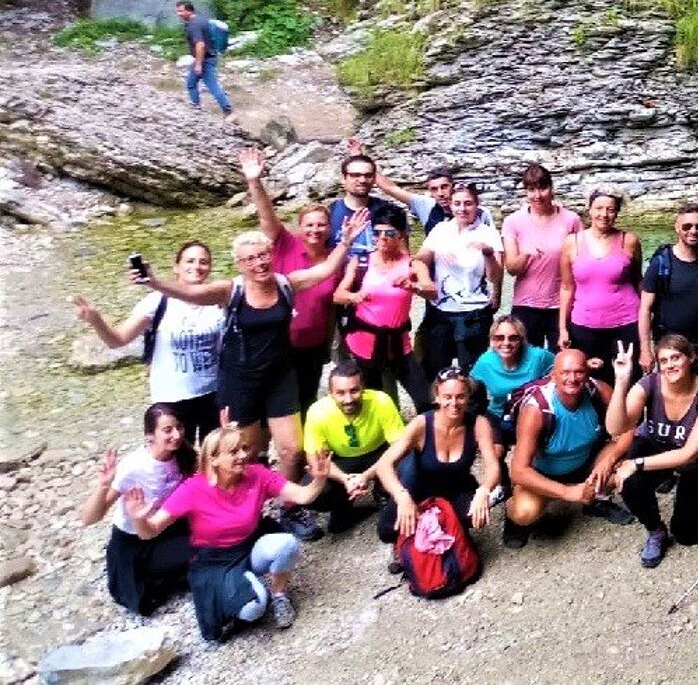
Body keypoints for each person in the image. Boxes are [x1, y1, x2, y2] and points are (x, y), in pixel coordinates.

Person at [134, 215, 367, 542]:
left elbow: (324, 271)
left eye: (263, 255)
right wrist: (154, 281)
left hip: (279, 376)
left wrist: (344, 241)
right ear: (239, 263)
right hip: (239, 381)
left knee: (291, 450)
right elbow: (190, 293)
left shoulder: (286, 283)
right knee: (243, 452)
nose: (259, 263)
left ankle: (288, 509)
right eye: (251, 258)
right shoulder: (231, 291)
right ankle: (245, 513)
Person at [123, 425, 331, 640]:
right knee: (254, 608)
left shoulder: (257, 475)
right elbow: (150, 531)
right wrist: (138, 518)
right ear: (213, 459)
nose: (243, 455)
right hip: (214, 562)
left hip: (248, 547)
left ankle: (279, 595)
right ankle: (244, 592)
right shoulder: (193, 488)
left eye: (243, 448)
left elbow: (303, 496)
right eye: (233, 452)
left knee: (287, 544)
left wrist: (319, 479)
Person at [72, 241, 222, 444]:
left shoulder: (218, 301)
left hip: (213, 394)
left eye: (203, 262)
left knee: (212, 458)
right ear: (176, 267)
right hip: (172, 397)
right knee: (177, 461)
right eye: (190, 261)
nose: (196, 266)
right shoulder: (157, 301)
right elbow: (117, 340)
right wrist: (95, 319)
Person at [602, 336, 698, 568]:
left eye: (676, 357)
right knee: (630, 484)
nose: (670, 365)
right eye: (664, 360)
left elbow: (689, 453)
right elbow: (615, 427)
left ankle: (685, 488)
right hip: (657, 444)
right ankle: (655, 530)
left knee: (689, 535)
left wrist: (636, 463)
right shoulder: (649, 384)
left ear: (690, 358)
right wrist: (621, 382)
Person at [501, 349, 632, 548]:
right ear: (553, 375)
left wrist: (609, 459)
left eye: (579, 372)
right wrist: (567, 493)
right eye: (565, 372)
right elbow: (519, 470)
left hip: (586, 461)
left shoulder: (598, 390)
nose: (572, 378)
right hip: (544, 472)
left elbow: (630, 428)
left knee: (627, 467)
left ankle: (597, 499)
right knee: (525, 512)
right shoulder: (537, 410)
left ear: (588, 373)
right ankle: (513, 517)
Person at [243, 148, 339, 414]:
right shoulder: (285, 243)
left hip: (313, 344)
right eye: (309, 225)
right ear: (300, 227)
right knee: (275, 401)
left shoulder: (333, 259)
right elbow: (266, 216)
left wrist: (327, 345)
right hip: (279, 342)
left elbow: (329, 307)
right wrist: (254, 181)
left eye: (321, 225)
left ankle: (302, 452)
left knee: (306, 397)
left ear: (329, 228)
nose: (315, 230)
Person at [78, 404, 192, 616]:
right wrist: (103, 486)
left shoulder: (184, 454)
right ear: (150, 436)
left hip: (165, 530)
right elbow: (89, 518)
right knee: (143, 604)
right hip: (132, 544)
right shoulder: (134, 466)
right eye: (167, 430)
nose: (176, 435)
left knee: (207, 547)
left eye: (179, 428)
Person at [372, 368, 503, 544]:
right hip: (417, 487)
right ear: (437, 397)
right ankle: (407, 544)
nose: (454, 403)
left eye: (460, 396)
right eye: (448, 397)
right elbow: (384, 464)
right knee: (387, 530)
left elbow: (493, 465)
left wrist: (484, 491)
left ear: (468, 397)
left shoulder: (479, 424)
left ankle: (452, 530)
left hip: (456, 487)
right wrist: (401, 496)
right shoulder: (421, 424)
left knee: (474, 516)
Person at [334, 210, 435, 410]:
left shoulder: (413, 264)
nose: (382, 238)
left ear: (401, 235)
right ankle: (380, 440)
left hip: (399, 345)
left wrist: (413, 287)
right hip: (365, 343)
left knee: (425, 399)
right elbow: (338, 295)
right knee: (372, 402)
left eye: (389, 233)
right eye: (377, 233)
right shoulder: (361, 261)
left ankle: (427, 436)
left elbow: (432, 291)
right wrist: (354, 297)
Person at [302, 362, 408, 534]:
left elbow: (401, 445)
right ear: (330, 393)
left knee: (407, 465)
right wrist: (345, 479)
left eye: (354, 390)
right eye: (341, 393)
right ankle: (344, 502)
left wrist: (367, 475)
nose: (348, 399)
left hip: (378, 453)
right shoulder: (317, 412)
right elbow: (315, 460)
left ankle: (383, 491)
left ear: (363, 388)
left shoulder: (381, 401)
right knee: (315, 492)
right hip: (341, 460)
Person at [416, 183, 502, 379]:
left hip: (473, 314)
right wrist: (425, 281)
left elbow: (495, 276)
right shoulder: (440, 229)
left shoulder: (487, 233)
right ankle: (440, 408)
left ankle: (474, 409)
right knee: (436, 368)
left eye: (468, 203)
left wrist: (487, 253)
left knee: (472, 373)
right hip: (440, 312)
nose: (462, 209)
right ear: (451, 206)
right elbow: (420, 259)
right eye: (457, 203)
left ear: (477, 205)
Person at [558, 184, 642, 384]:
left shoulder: (629, 241)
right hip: (584, 326)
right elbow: (567, 287)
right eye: (599, 208)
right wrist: (562, 328)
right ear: (589, 209)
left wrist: (648, 324)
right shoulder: (572, 243)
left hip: (626, 323)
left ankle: (631, 417)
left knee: (627, 381)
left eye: (610, 209)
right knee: (587, 383)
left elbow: (638, 281)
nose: (604, 214)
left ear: (617, 212)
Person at [638, 203, 698, 378]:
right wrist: (645, 349)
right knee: (670, 395)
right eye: (687, 226)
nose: (693, 231)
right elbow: (645, 308)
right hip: (668, 343)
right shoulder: (661, 263)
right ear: (677, 228)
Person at [501, 163, 581, 350]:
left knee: (562, 360)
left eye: (542, 188)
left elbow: (580, 263)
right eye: (531, 190)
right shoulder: (513, 222)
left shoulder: (571, 220)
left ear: (552, 189)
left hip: (561, 305)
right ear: (525, 192)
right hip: (526, 304)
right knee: (526, 363)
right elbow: (512, 269)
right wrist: (527, 254)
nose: (537, 195)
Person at [347, 139, 493, 235]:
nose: (440, 193)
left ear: (453, 187)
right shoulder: (426, 206)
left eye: (444, 187)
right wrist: (358, 158)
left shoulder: (480, 212)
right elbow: (391, 188)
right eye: (435, 189)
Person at [470, 316, 553, 453]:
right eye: (499, 338)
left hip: (530, 416)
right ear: (492, 340)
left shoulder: (538, 357)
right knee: (494, 453)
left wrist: (585, 364)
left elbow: (561, 366)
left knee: (527, 454)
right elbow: (468, 385)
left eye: (513, 338)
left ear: (522, 340)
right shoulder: (486, 361)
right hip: (498, 414)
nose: (506, 343)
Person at [328, 154, 406, 257]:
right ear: (344, 178)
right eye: (355, 175)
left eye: (368, 175)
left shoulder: (391, 211)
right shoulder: (330, 212)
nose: (362, 180)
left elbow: (403, 254)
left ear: (374, 179)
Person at [174, 1, 232, 116]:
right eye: (177, 11)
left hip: (205, 59)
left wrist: (198, 64)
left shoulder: (194, 25)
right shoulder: (201, 20)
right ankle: (196, 108)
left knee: (212, 86)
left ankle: (227, 109)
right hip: (207, 57)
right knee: (191, 83)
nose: (178, 14)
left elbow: (200, 45)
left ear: (189, 11)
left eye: (180, 11)